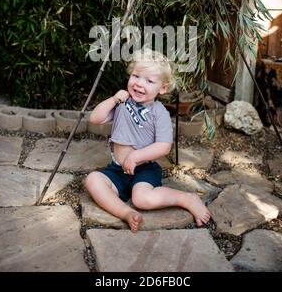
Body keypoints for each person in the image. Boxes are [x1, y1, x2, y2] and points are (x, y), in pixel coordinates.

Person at [85, 48, 211, 233]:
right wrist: (112, 100)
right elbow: (95, 119)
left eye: (149, 81)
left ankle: (186, 199)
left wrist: (136, 156)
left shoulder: (159, 112)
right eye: (136, 76)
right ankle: (126, 213)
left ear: (163, 88)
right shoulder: (122, 103)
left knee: (142, 199)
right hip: (117, 169)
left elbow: (164, 146)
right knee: (93, 180)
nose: (139, 84)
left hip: (144, 169)